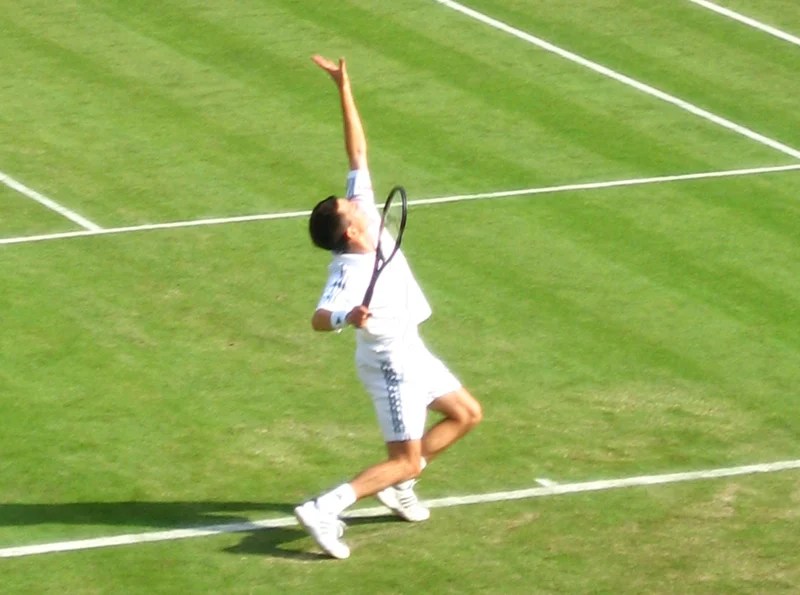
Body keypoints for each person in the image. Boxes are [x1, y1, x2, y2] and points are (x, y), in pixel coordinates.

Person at [294, 55, 483, 560]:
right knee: (404, 457)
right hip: (390, 366)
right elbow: (318, 319)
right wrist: (344, 317)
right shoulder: (348, 273)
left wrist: (344, 86)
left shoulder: (365, 221)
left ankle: (399, 487)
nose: (356, 198)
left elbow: (356, 152)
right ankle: (325, 508)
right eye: (349, 205)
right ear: (349, 229)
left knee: (466, 414)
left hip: (411, 347)